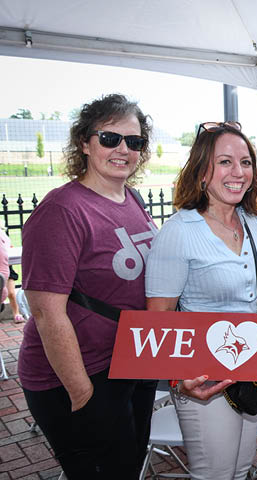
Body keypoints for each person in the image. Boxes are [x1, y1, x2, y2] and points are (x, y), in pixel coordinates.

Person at [18, 94, 157, 478]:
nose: (123, 150)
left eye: (135, 141)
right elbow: (47, 313)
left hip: (128, 363)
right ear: (84, 142)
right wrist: (82, 393)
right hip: (78, 374)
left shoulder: (130, 197)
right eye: (110, 138)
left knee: (127, 469)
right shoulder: (63, 210)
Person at [145, 121, 257, 479]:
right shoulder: (179, 233)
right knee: (215, 475)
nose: (239, 172)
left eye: (246, 161)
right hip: (204, 379)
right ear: (202, 172)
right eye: (225, 162)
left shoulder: (255, 222)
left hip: (253, 369)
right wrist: (179, 380)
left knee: (239, 472)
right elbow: (157, 321)